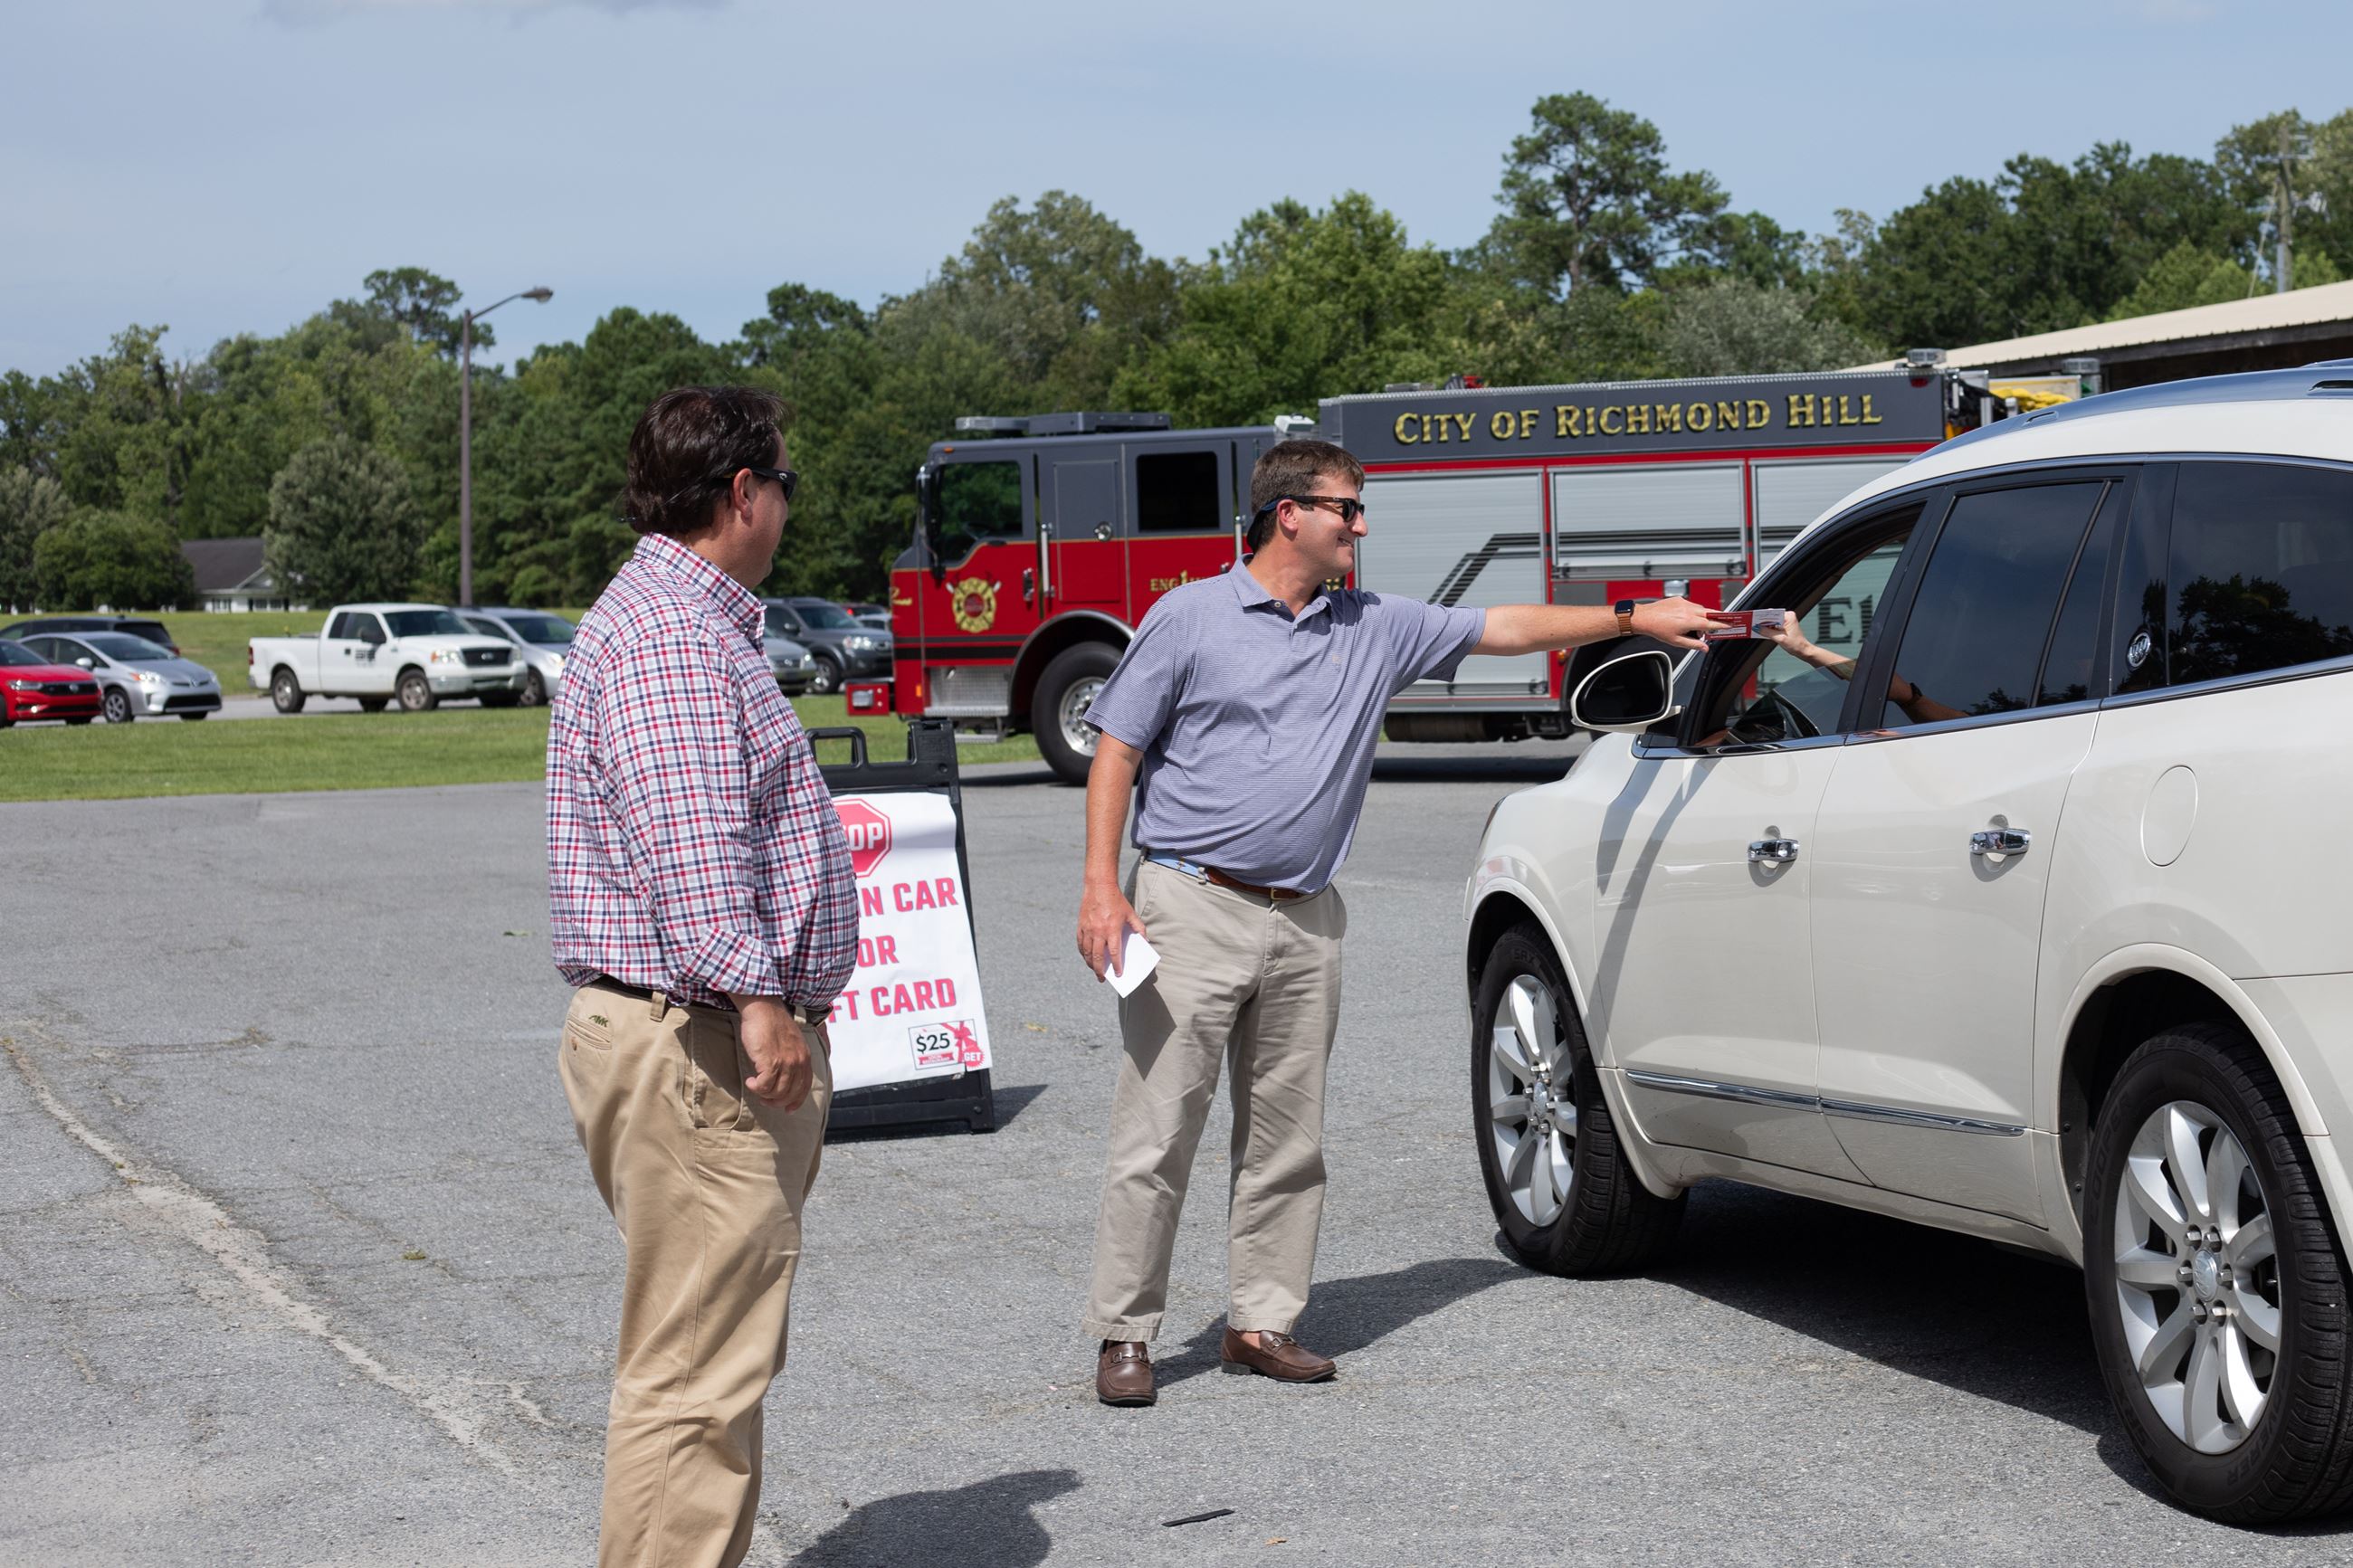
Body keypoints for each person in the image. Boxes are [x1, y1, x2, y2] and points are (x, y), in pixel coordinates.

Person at [1073, 437, 1717, 1407]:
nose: (1361, 525)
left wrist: (1633, 616)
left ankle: (1260, 1321)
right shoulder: (1189, 616)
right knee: (1158, 1131)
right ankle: (1126, 1332)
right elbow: (1116, 749)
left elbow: (1504, 626)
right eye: (1347, 507)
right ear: (1289, 512)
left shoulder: (1372, 624)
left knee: (1288, 1137)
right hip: (1191, 902)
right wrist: (1100, 887)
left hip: (1305, 916)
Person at [546, 385, 859, 1567]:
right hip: (703, 1038)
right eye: (785, 481)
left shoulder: (674, 619)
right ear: (741, 492)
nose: (788, 504)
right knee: (695, 1381)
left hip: (695, 1028)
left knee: (704, 1361)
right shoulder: (676, 634)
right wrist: (761, 1000)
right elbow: (694, 843)